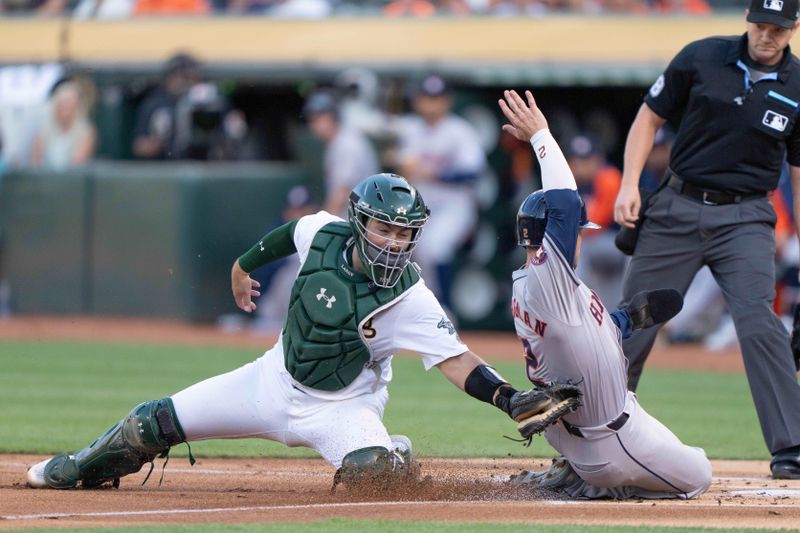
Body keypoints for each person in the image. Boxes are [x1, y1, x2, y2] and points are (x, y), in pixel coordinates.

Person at [25, 172, 576, 491]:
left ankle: (391, 451)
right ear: (360, 222)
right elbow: (287, 234)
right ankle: (74, 468)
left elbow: (456, 361)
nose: (395, 243)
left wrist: (507, 399)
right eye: (385, 229)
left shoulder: (411, 296)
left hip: (341, 406)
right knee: (154, 421)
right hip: (270, 381)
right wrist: (242, 268)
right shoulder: (323, 232)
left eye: (405, 234)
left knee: (372, 480)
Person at [613, 0, 800, 479]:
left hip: (747, 215)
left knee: (760, 320)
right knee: (632, 321)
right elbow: (648, 118)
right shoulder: (700, 56)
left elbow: (798, 173)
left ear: (793, 28)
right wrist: (630, 183)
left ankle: (792, 447)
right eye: (760, 24)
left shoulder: (798, 85)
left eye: (777, 29)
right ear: (747, 19)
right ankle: (595, 429)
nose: (767, 36)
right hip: (676, 205)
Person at [498, 89, 712, 499]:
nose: (578, 239)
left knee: (677, 447)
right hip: (608, 441)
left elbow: (582, 338)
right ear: (549, 237)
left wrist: (626, 320)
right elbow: (563, 200)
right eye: (576, 233)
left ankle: (576, 469)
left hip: (588, 427)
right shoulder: (548, 277)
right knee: (699, 475)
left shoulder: (539, 285)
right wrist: (542, 135)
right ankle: (599, 486)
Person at [396, 74, 486, 307]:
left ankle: (445, 308)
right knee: (413, 254)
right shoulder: (410, 129)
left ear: (447, 101)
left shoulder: (459, 131)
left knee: (435, 247)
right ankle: (427, 311)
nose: (431, 104)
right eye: (426, 98)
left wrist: (435, 174)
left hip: (454, 207)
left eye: (436, 98)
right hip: (420, 209)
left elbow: (474, 171)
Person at [304, 89, 380, 218]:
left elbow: (342, 192)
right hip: (357, 218)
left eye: (320, 118)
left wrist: (323, 225)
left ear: (334, 117)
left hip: (360, 221)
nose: (316, 125)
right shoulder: (338, 141)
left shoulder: (346, 144)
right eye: (313, 119)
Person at [30, 80, 97, 172]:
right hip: (44, 180)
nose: (64, 108)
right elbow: (35, 161)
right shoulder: (44, 128)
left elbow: (77, 162)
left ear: (76, 106)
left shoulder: (85, 131)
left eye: (68, 103)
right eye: (61, 104)